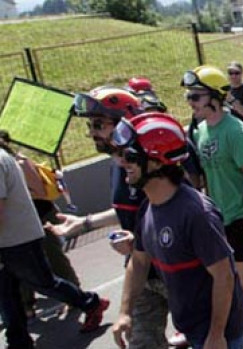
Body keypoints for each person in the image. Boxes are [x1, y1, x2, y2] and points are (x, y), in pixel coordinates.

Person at [48, 86, 176, 348]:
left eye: (98, 124)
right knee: (143, 343)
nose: (92, 133)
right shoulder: (117, 166)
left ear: (122, 124)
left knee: (209, 336)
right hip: (140, 271)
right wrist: (85, 223)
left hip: (175, 270)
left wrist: (143, 241)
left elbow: (180, 214)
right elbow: (126, 211)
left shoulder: (150, 163)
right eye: (90, 126)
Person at [110, 112, 243, 349]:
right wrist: (125, 311)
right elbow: (140, 261)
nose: (123, 163)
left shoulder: (196, 214)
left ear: (156, 161)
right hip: (192, 326)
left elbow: (224, 277)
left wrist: (216, 336)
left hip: (218, 332)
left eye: (131, 156)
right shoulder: (148, 207)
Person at [183, 65, 243, 322]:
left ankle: (236, 333)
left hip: (239, 212)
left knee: (236, 272)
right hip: (217, 213)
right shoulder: (200, 130)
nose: (190, 101)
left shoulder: (236, 131)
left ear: (215, 97)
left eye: (196, 96)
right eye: (189, 96)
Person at [0, 136, 109, 349]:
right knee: (6, 293)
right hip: (8, 240)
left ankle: (91, 303)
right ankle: (18, 341)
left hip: (19, 238)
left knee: (44, 282)